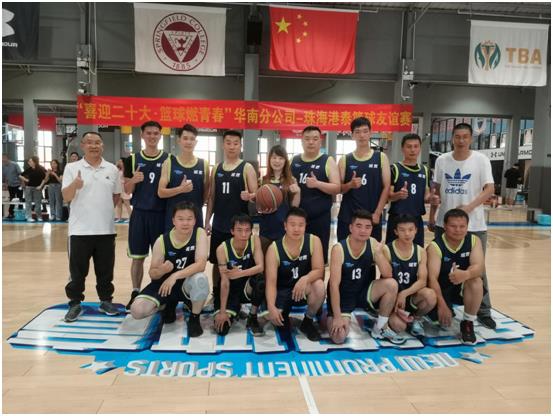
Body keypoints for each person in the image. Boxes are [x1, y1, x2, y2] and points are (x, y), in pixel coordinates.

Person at [428, 122, 496, 329]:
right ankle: (443, 304)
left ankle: (483, 311)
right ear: (452, 138)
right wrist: (432, 215)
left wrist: (469, 208)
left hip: (473, 224)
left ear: (471, 138)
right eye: (457, 136)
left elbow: (489, 189)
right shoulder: (442, 160)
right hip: (444, 223)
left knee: (477, 270)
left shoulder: (481, 160)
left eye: (465, 136)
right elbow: (435, 190)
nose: (461, 140)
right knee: (441, 269)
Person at [61, 132, 122, 322]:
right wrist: (75, 185)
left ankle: (106, 301)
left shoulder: (111, 169)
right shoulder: (72, 168)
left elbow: (116, 195)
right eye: (89, 142)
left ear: (102, 145)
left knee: (105, 271)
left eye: (97, 142)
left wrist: (103, 211)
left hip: (106, 230)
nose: (94, 146)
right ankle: (74, 303)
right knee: (77, 273)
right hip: (80, 231)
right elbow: (66, 196)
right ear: (82, 146)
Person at [326, 209, 406, 345]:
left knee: (391, 284)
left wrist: (378, 254)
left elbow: (388, 274)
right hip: (344, 298)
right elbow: (333, 285)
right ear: (351, 228)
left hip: (364, 293)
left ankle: (380, 328)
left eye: (368, 227)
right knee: (338, 337)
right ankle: (335, 316)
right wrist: (337, 317)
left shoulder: (373, 244)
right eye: (359, 226)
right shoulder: (339, 249)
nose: (363, 230)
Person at [130, 201, 209, 337]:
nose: (185, 223)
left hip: (186, 285)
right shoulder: (162, 241)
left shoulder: (199, 233)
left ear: (195, 220)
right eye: (180, 219)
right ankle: (165, 305)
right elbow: (153, 274)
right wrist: (162, 270)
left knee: (200, 279)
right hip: (164, 286)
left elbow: (201, 265)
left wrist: (174, 275)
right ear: (173, 221)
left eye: (189, 219)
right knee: (137, 311)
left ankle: (194, 318)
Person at [205, 130, 258, 311]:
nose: (232, 146)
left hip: (240, 228)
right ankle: (216, 294)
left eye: (236, 143)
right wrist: (207, 221)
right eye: (228, 142)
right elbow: (212, 197)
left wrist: (250, 196)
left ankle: (238, 297)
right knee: (216, 263)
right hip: (220, 223)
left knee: (241, 262)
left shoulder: (246, 168)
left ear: (240, 146)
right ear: (223, 145)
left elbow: (257, 196)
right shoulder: (217, 168)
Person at [123, 121, 169, 311]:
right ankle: (135, 292)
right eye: (148, 133)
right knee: (138, 257)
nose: (152, 136)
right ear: (142, 135)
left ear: (160, 136)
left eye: (155, 133)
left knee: (160, 259)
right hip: (140, 214)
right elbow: (126, 190)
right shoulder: (132, 159)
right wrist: (133, 180)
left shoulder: (168, 159)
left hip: (161, 215)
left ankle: (159, 293)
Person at [263, 207, 326, 341]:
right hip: (283, 291)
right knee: (277, 320)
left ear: (305, 226)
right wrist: (271, 306)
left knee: (319, 286)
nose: (296, 229)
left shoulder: (314, 241)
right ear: (285, 226)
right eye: (292, 225)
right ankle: (282, 313)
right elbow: (271, 282)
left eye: (301, 225)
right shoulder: (274, 249)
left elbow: (319, 270)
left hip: (303, 289)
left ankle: (308, 321)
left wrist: (305, 279)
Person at [427, 209, 485, 345]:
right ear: (445, 226)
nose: (458, 230)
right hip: (441, 289)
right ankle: (441, 308)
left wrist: (465, 274)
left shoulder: (474, 240)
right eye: (453, 226)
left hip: (461, 287)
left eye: (462, 226)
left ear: (467, 226)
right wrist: (442, 306)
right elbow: (432, 279)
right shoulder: (435, 246)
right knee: (440, 323)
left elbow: (479, 268)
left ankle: (468, 323)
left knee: (476, 281)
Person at [291, 126, 340, 264]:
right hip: (297, 218)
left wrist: (318, 184)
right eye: (307, 139)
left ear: (320, 141)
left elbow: (337, 188)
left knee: (318, 259)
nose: (311, 142)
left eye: (315, 139)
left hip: (320, 219)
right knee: (297, 257)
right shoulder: (294, 161)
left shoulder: (328, 160)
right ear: (302, 141)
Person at [338, 117, 391, 242]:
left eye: (365, 131)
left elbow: (387, 186)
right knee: (345, 251)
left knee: (372, 252)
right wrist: (349, 185)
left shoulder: (381, 157)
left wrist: (377, 213)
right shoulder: (345, 160)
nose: (361, 135)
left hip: (372, 217)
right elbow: (339, 189)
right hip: (348, 216)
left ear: (370, 133)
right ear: (352, 135)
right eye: (357, 132)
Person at [384, 215, 436, 336]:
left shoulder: (420, 251)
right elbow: (385, 277)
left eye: (410, 229)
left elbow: (422, 281)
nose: (407, 234)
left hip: (410, 295)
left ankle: (416, 318)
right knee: (399, 327)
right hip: (392, 298)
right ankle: (391, 315)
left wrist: (404, 293)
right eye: (402, 230)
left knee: (430, 295)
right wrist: (398, 296)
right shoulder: (387, 250)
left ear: (416, 230)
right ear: (396, 231)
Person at [213, 214, 265, 336]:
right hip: (230, 289)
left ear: (251, 231)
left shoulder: (254, 240)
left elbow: (260, 267)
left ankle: (252, 316)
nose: (243, 234)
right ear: (232, 231)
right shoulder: (222, 249)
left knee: (260, 281)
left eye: (247, 230)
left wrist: (241, 273)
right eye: (239, 230)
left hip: (246, 286)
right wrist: (222, 311)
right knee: (222, 329)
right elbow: (224, 282)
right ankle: (234, 309)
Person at [386, 133, 439, 246]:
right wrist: (398, 195)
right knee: (392, 252)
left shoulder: (425, 171)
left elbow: (426, 197)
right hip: (397, 218)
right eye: (409, 146)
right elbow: (388, 196)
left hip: (416, 219)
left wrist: (431, 198)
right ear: (402, 149)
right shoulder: (394, 169)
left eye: (416, 146)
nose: (412, 150)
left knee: (417, 252)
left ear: (420, 148)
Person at [158, 123, 209, 232]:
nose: (188, 142)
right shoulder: (169, 162)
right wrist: (180, 189)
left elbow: (205, 193)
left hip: (195, 218)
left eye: (192, 139)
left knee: (196, 243)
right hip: (174, 220)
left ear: (196, 142)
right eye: (185, 138)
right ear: (179, 140)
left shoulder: (203, 164)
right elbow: (161, 192)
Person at [257, 144, 301, 252]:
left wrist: (298, 192)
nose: (277, 161)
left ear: (285, 161)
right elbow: (258, 205)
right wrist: (259, 206)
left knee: (282, 259)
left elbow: (294, 206)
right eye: (274, 157)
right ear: (269, 159)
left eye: (281, 158)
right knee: (265, 258)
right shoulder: (263, 180)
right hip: (266, 228)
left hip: (284, 228)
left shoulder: (291, 180)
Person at [19, 156, 47, 222]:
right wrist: (26, 180)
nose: (29, 162)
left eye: (30, 161)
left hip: (37, 188)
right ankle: (28, 217)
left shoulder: (41, 169)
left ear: (34, 162)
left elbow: (45, 178)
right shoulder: (29, 169)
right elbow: (20, 175)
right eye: (29, 161)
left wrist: (40, 186)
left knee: (38, 203)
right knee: (28, 202)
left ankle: (39, 216)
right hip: (29, 187)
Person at [2, 154, 23, 219]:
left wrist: (22, 184)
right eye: (2, 158)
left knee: (20, 199)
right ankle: (11, 214)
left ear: (7, 158)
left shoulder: (15, 164)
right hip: (10, 186)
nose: (2, 159)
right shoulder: (2, 166)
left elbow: (20, 174)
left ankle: (21, 214)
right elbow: (4, 177)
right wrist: (5, 184)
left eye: (3, 158)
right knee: (11, 199)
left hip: (18, 185)